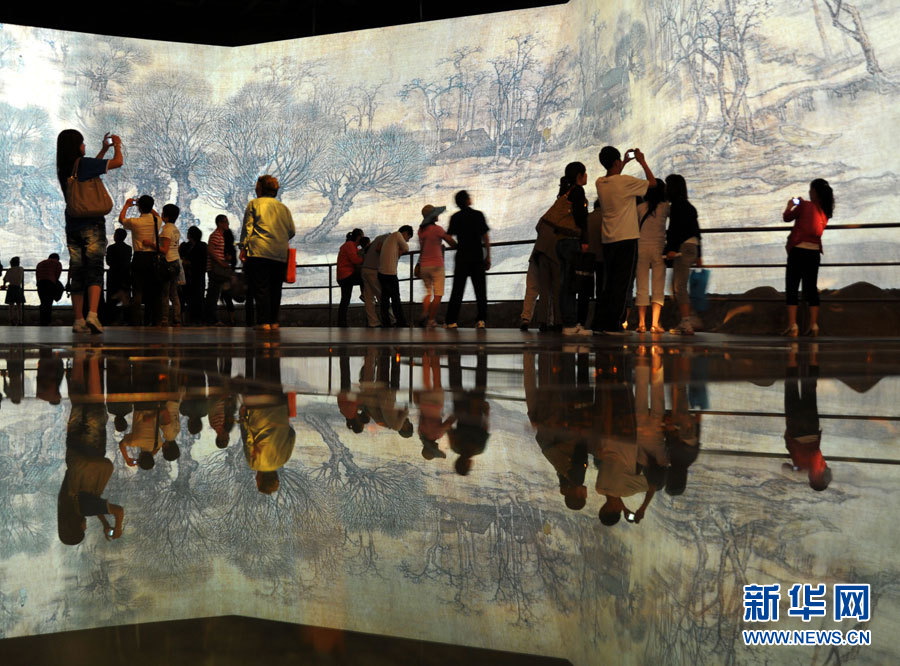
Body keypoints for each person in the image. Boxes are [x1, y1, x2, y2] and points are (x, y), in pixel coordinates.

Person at [56, 129, 123, 334]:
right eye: (82, 142)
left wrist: (103, 150)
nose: (84, 146)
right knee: (94, 268)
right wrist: (117, 146)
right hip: (92, 224)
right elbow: (118, 162)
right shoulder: (83, 165)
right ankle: (93, 315)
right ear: (76, 146)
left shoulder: (65, 168)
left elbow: (93, 168)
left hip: (72, 224)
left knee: (77, 270)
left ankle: (78, 320)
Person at [591, 146, 656, 335]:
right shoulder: (626, 181)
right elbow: (652, 183)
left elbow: (615, 179)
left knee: (609, 283)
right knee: (622, 283)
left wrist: (624, 163)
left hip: (608, 239)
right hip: (626, 238)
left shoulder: (600, 183)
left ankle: (599, 323)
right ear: (617, 162)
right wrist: (641, 161)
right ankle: (613, 324)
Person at [239, 175, 295, 332]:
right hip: (279, 253)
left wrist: (243, 247)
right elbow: (291, 231)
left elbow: (248, 228)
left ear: (260, 188)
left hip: (259, 252)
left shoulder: (254, 204)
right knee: (276, 288)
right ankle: (273, 321)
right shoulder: (284, 208)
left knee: (261, 287)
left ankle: (263, 322)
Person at [783, 179, 834, 337]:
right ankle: (814, 325)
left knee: (792, 287)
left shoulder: (804, 205)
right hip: (814, 254)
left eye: (810, 190)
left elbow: (787, 217)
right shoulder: (824, 213)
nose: (808, 192)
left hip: (798, 251)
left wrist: (790, 204)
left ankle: (793, 325)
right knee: (811, 289)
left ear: (814, 193)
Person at [547, 162, 591, 337]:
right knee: (571, 284)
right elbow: (581, 218)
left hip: (561, 242)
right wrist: (585, 240)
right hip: (573, 242)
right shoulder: (578, 191)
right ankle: (572, 323)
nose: (587, 176)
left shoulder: (565, 192)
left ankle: (568, 322)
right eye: (585, 173)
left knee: (565, 283)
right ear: (579, 175)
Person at [445, 191, 490, 329]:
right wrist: (488, 255)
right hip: (477, 256)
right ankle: (481, 320)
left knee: (457, 290)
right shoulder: (478, 215)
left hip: (462, 256)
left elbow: (448, 236)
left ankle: (451, 321)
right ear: (466, 200)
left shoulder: (455, 217)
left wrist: (457, 245)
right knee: (480, 291)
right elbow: (485, 237)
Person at [664, 174, 702, 336]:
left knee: (679, 287)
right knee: (678, 286)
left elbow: (674, 231)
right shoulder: (689, 206)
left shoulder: (676, 207)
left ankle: (687, 322)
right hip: (692, 247)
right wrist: (700, 254)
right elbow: (697, 231)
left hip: (682, 248)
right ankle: (687, 318)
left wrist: (670, 249)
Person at [119, 194, 162, 326]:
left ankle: (136, 321)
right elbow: (157, 214)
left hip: (139, 258)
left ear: (139, 208)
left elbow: (121, 220)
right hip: (153, 259)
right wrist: (145, 205)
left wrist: (127, 204)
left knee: (137, 290)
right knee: (153, 291)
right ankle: (153, 320)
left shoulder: (135, 222)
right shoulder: (157, 221)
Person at [634, 181, 669, 333]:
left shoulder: (640, 208)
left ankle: (641, 324)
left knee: (641, 286)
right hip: (659, 249)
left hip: (641, 248)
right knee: (658, 285)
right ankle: (655, 324)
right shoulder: (666, 208)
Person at [417, 205, 456, 329]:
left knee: (428, 293)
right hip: (437, 265)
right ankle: (431, 320)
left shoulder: (420, 231)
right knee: (438, 294)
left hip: (424, 265)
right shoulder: (437, 229)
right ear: (433, 216)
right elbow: (451, 241)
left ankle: (424, 312)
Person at [520, 218, 560, 331]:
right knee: (551, 291)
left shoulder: (546, 218)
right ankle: (550, 321)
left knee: (531, 289)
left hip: (537, 254)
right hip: (552, 257)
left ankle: (526, 318)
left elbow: (538, 228)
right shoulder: (564, 221)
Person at [377, 225, 414, 328]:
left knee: (385, 300)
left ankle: (386, 323)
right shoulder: (397, 235)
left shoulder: (390, 238)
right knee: (396, 299)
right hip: (390, 273)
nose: (406, 240)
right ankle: (401, 322)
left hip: (381, 273)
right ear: (405, 233)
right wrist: (402, 248)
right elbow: (406, 248)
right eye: (408, 238)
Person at [158, 203, 182, 327]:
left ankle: (164, 319)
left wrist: (151, 244)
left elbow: (164, 249)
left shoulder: (166, 229)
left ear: (166, 216)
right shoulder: (175, 229)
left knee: (165, 294)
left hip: (167, 263)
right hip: (176, 262)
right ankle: (177, 318)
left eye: (162, 213)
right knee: (174, 293)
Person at [205, 214, 232, 325]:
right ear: (220, 223)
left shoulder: (221, 236)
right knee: (213, 294)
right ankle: (212, 319)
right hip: (215, 269)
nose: (227, 224)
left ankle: (213, 319)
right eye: (225, 222)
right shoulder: (215, 235)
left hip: (218, 269)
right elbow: (210, 250)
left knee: (214, 294)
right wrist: (221, 262)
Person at [336, 228, 364, 327]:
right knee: (364, 277)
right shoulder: (350, 245)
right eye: (362, 237)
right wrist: (364, 258)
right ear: (359, 237)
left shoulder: (349, 245)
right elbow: (355, 260)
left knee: (345, 299)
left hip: (342, 276)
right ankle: (364, 293)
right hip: (347, 275)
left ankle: (342, 323)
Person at [180, 226, 206, 326]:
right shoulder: (202, 246)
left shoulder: (192, 247)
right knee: (197, 298)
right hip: (196, 277)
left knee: (194, 298)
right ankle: (196, 319)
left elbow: (192, 261)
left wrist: (187, 262)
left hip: (193, 277)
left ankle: (194, 318)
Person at [361, 232, 389, 327]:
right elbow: (378, 249)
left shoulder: (378, 237)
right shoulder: (389, 238)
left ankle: (373, 322)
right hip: (373, 270)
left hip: (365, 269)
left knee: (369, 298)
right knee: (381, 295)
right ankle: (391, 319)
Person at [105, 229, 132, 323]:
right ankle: (127, 320)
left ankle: (111, 319)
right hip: (125, 275)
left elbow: (108, 262)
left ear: (116, 236)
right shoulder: (129, 248)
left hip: (113, 275)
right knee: (126, 300)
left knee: (111, 299)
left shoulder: (110, 248)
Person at [36, 253, 63, 326]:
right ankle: (47, 321)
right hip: (50, 283)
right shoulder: (57, 263)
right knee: (48, 303)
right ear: (57, 258)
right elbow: (57, 275)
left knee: (43, 302)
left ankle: (42, 320)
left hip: (41, 284)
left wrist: (38, 284)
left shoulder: (40, 263)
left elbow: (37, 274)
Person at [3, 256, 25, 325]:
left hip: (11, 288)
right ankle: (20, 321)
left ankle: (11, 320)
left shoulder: (9, 270)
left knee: (11, 306)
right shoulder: (21, 269)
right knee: (19, 306)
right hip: (18, 288)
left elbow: (5, 279)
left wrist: (4, 285)